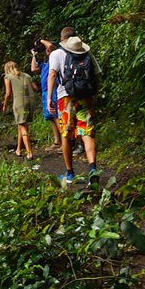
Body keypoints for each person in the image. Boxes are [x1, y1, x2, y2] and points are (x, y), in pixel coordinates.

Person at [47, 32, 102, 186]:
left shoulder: (56, 53)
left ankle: (70, 173)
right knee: (87, 132)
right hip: (85, 97)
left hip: (65, 98)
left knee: (66, 134)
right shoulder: (86, 53)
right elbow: (96, 75)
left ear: (62, 39)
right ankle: (92, 169)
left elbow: (52, 75)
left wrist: (49, 98)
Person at [2, 61, 38, 160]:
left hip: (19, 102)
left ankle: (29, 152)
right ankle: (18, 149)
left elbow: (8, 93)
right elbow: (35, 88)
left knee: (22, 127)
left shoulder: (8, 77)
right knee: (21, 125)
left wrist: (5, 105)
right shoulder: (26, 75)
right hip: (30, 101)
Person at [30, 40, 61, 151]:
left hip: (53, 90)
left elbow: (52, 47)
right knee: (51, 116)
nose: (47, 50)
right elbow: (33, 69)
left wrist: (41, 40)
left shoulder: (56, 58)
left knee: (56, 114)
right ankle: (57, 141)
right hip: (45, 91)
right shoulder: (45, 64)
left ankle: (65, 142)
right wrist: (34, 55)